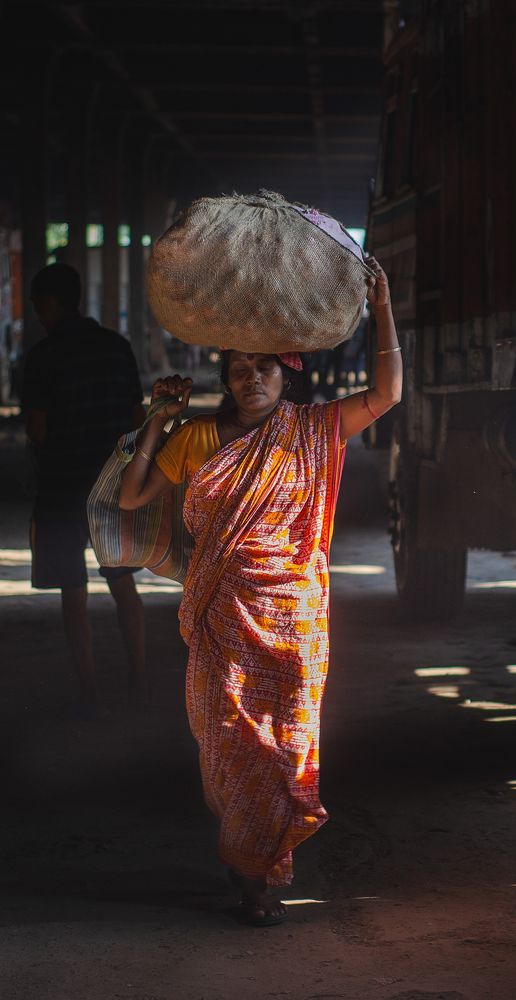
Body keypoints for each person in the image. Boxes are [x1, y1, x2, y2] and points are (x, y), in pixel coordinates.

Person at [118, 257, 401, 926]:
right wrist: (159, 416)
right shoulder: (198, 440)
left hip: (294, 620)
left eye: (265, 368)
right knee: (230, 742)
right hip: (222, 616)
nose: (252, 379)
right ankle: (251, 874)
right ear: (226, 378)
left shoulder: (313, 430)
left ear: (285, 374)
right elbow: (131, 496)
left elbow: (386, 392)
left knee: (287, 746)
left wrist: (382, 306)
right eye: (240, 369)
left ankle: (256, 865)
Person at [21, 263, 148, 714]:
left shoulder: (41, 358)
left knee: (73, 594)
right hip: (112, 487)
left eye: (38, 303)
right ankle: (137, 679)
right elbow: (138, 419)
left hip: (61, 489)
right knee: (123, 584)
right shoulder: (117, 348)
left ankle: (90, 692)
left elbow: (37, 429)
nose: (36, 312)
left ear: (53, 303)